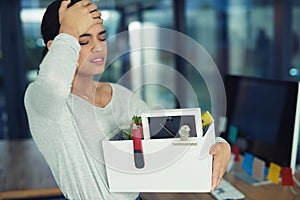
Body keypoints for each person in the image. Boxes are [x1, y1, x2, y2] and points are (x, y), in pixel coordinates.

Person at [24, 0, 231, 199]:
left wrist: (219, 145)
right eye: (83, 41)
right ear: (57, 46)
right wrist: (68, 28)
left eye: (102, 37)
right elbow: (54, 84)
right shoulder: (44, 103)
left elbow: (170, 136)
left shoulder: (120, 95)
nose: (98, 47)